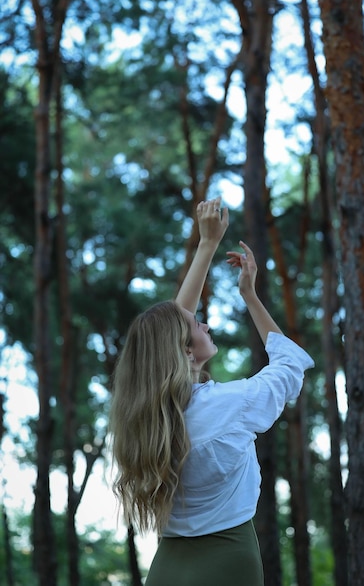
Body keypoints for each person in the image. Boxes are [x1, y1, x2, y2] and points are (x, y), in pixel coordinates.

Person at [109, 197, 314, 586]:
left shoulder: (147, 419)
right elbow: (289, 364)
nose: (205, 324)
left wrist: (207, 244)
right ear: (185, 351)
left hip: (166, 567)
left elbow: (170, 329)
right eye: (199, 324)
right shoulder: (231, 405)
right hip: (229, 561)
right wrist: (251, 297)